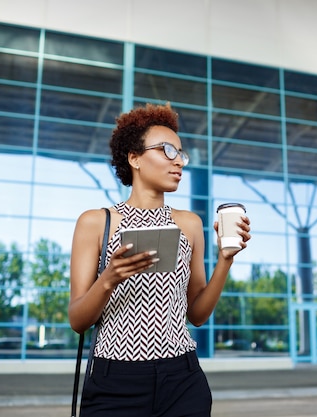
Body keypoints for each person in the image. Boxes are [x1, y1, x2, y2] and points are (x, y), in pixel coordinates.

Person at [68, 102, 251, 417]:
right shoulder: (96, 222)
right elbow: (77, 320)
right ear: (134, 158)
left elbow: (197, 315)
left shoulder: (189, 224)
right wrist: (109, 278)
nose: (178, 161)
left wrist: (225, 261)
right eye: (167, 150)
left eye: (181, 154)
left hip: (182, 379)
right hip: (114, 384)